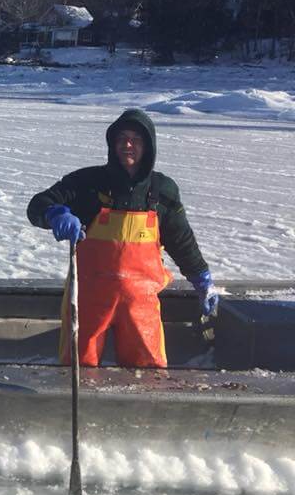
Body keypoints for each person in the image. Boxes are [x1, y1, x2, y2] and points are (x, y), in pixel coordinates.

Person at [27, 108, 218, 368]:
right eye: (121, 139)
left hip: (141, 304)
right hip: (88, 299)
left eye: (136, 140)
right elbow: (38, 204)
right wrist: (55, 213)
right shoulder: (87, 183)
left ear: (148, 146)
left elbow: (181, 240)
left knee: (148, 374)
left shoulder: (162, 191)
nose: (127, 145)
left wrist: (201, 278)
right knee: (78, 368)